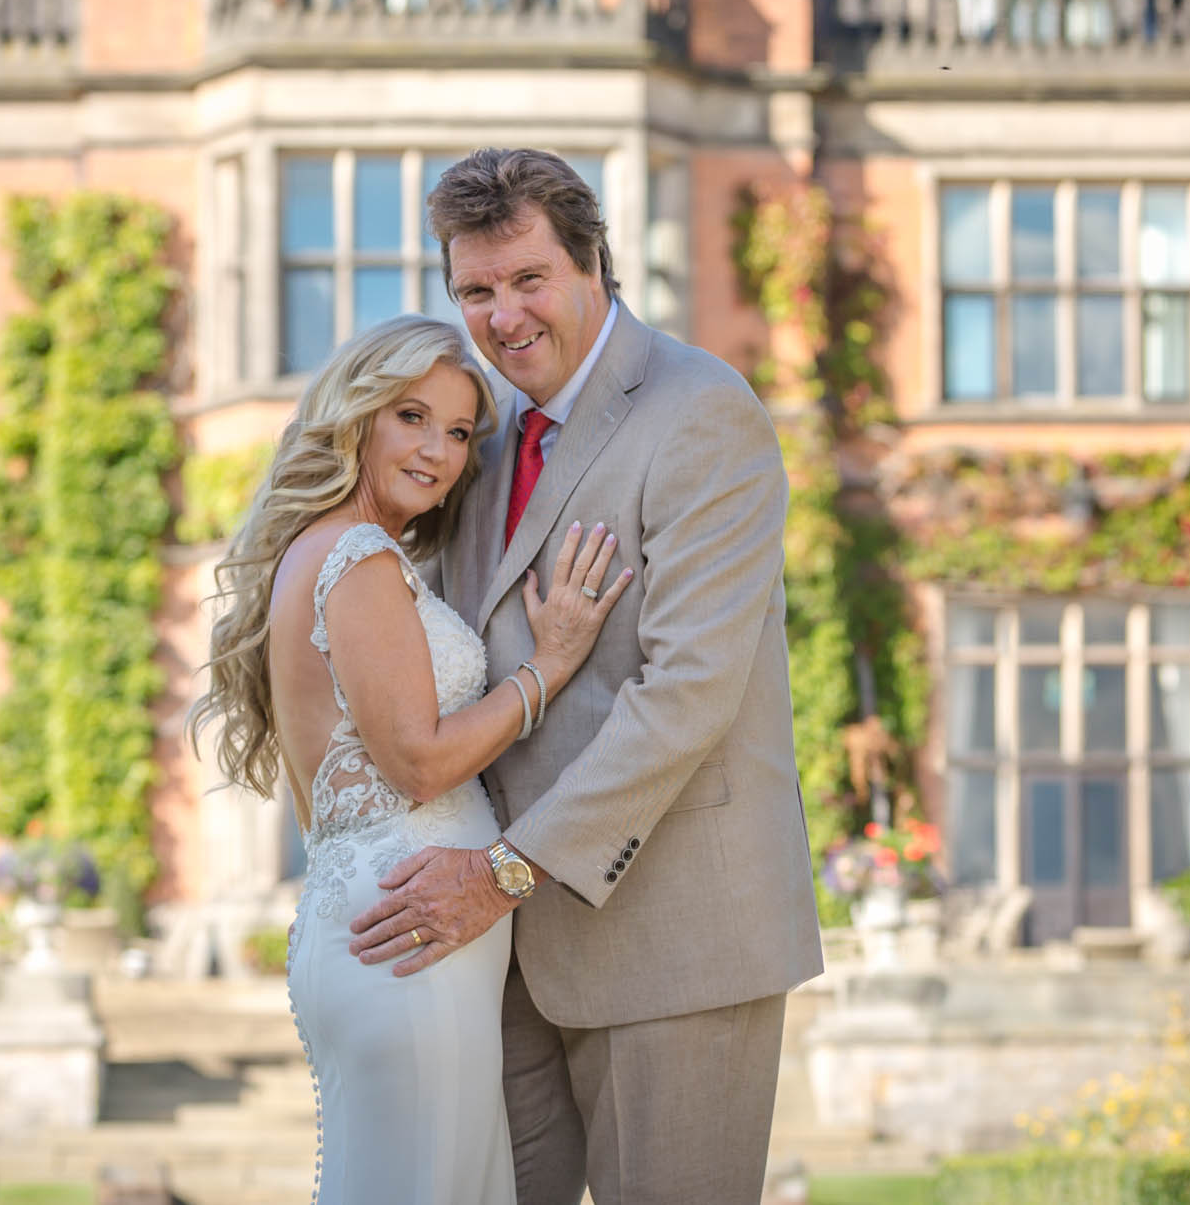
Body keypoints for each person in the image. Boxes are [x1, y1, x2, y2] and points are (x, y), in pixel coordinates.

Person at [346, 147, 823, 1205]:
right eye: (475, 289)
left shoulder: (703, 410)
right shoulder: (482, 428)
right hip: (501, 963)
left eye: (527, 279)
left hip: (675, 942)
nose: (502, 314)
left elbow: (687, 691)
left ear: (590, 263)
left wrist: (504, 870)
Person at [190, 313, 632, 1205]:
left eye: (460, 430)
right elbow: (420, 765)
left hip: (397, 926)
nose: (438, 449)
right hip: (407, 936)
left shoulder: (345, 551)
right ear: (356, 416)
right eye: (411, 416)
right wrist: (547, 669)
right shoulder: (355, 557)